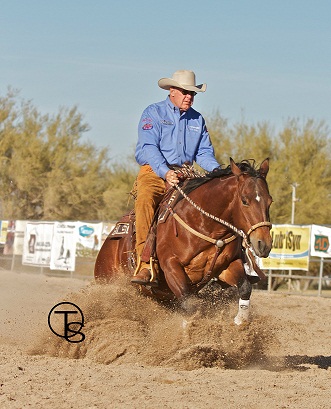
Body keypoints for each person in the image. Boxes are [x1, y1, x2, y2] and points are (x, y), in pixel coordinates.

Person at [131, 69, 221, 286]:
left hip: (185, 175)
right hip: (154, 173)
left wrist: (219, 172)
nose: (189, 96)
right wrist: (165, 171)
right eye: (185, 91)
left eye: (193, 93)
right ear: (172, 91)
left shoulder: (197, 120)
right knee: (145, 200)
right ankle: (145, 265)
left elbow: (203, 153)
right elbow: (149, 147)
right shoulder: (153, 113)